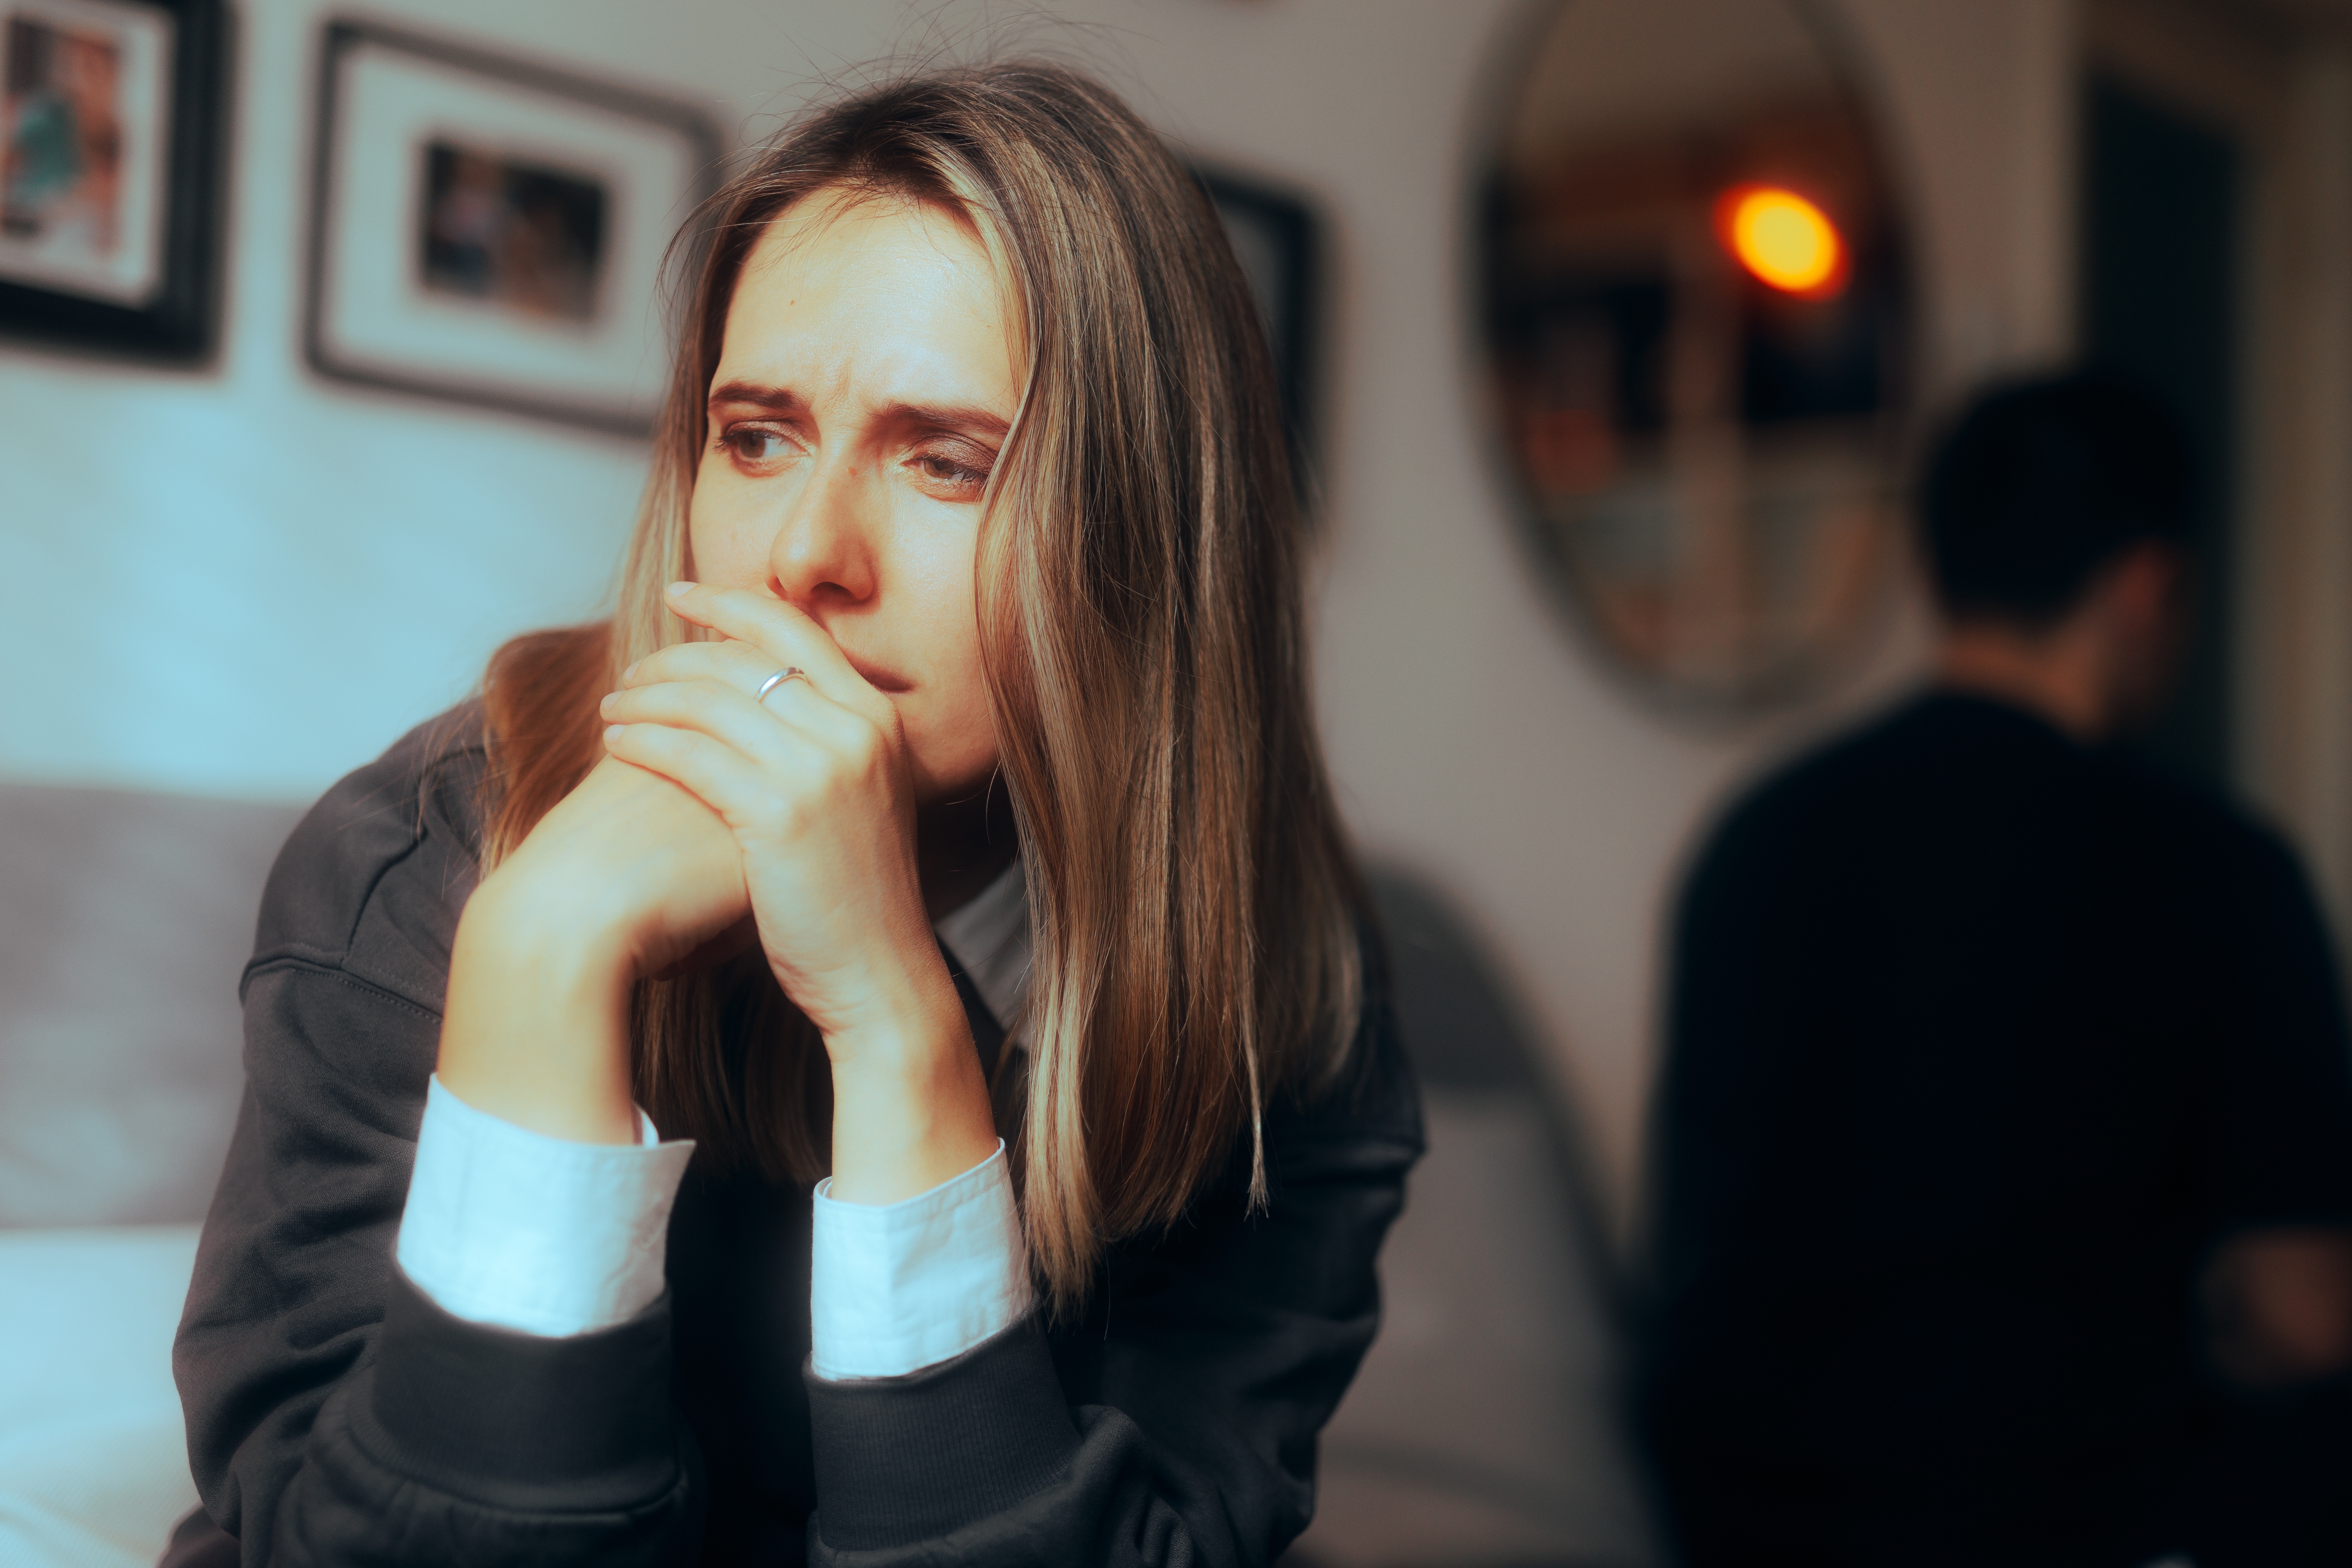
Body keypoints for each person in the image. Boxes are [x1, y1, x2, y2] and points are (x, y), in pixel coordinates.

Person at [167, 62, 1421, 1568]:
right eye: (757, 439)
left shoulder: (1290, 995)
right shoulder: (425, 852)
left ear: (1146, 543)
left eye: (946, 462)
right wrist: (543, 957)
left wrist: (897, 1027)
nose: (807, 556)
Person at [1637, 371, 2352, 1566]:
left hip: (1740, 1515)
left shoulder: (1758, 830)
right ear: (2148, 588)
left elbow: (1702, 1219)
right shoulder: (2215, 865)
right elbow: (2310, 1314)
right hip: (2055, 1516)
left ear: (1934, 573)